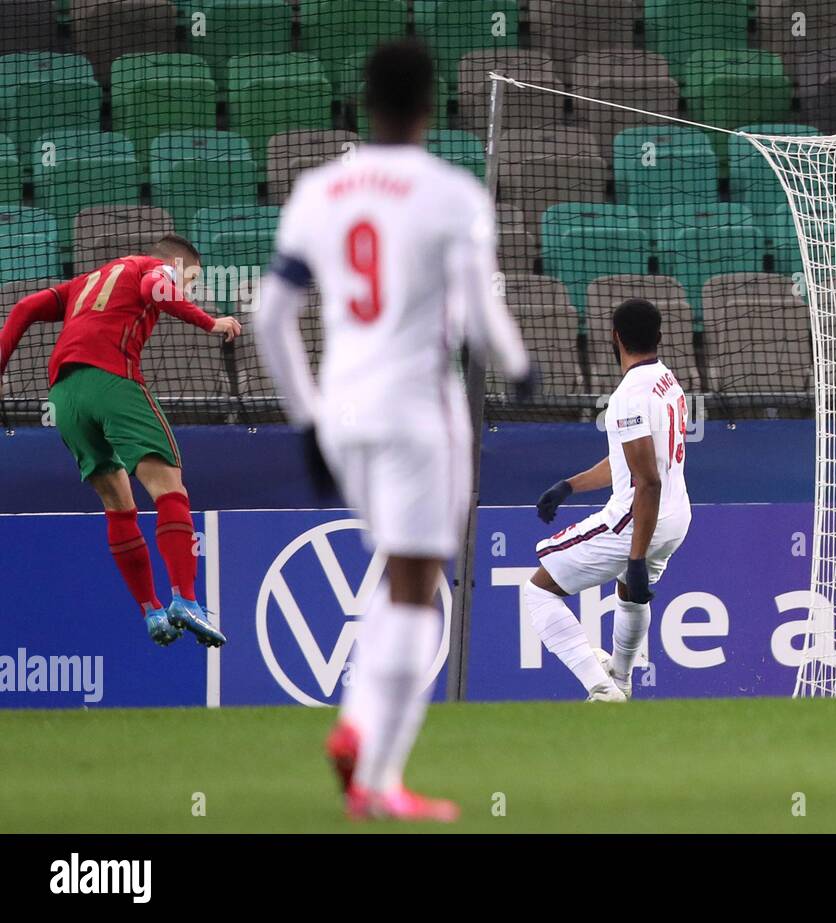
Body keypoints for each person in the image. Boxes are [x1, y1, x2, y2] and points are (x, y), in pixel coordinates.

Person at [256, 40, 531, 821]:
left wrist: (305, 419)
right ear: (430, 105)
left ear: (362, 101)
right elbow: (482, 312)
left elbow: (271, 317)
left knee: (394, 571)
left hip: (341, 410)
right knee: (418, 587)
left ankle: (366, 752)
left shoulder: (318, 189)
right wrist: (522, 367)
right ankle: (370, 754)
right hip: (417, 411)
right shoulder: (451, 194)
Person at [0, 234, 238, 647]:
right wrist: (209, 321)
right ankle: (185, 598)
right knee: (169, 489)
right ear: (178, 264)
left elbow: (23, 308)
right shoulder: (153, 268)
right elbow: (157, 288)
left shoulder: (85, 282)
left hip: (64, 397)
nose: (187, 288)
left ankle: (151, 612)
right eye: (191, 279)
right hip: (112, 379)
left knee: (118, 504)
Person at [529, 298, 692, 701]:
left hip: (638, 517)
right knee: (630, 594)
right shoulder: (667, 381)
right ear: (659, 336)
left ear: (614, 337)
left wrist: (635, 557)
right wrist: (570, 485)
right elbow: (631, 457)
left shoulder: (629, 396)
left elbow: (646, 480)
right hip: (676, 518)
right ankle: (620, 680)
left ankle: (600, 687)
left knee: (538, 590)